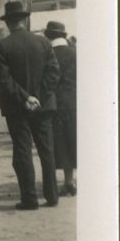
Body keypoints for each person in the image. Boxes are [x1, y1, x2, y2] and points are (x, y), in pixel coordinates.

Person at [0, 1, 60, 210]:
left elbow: (4, 80)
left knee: (22, 152)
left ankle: (29, 199)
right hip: (44, 105)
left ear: (8, 23)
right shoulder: (43, 43)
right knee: (47, 151)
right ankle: (52, 196)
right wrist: (37, 96)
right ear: (25, 19)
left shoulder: (3, 46)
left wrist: (25, 98)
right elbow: (54, 73)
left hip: (17, 107)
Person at [44, 21, 77, 196]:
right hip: (74, 102)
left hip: (56, 102)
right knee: (74, 140)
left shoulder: (49, 55)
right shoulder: (75, 53)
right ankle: (71, 181)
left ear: (48, 36)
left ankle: (66, 183)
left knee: (61, 144)